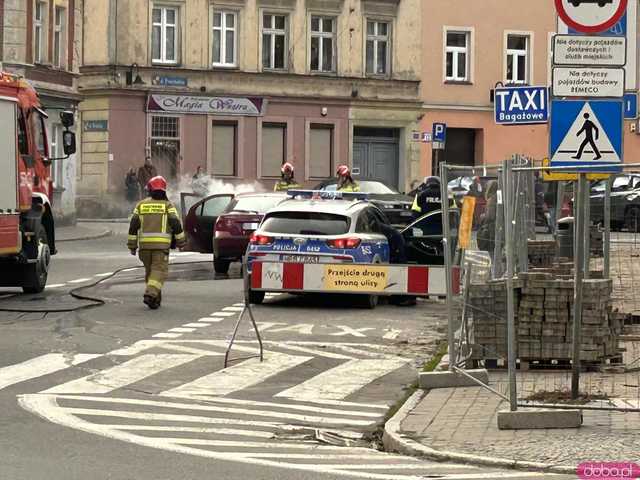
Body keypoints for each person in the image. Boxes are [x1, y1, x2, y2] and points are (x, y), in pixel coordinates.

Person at [127, 176, 186, 309]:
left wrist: (132, 246)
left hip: (144, 248)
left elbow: (133, 226)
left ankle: (154, 300)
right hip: (161, 247)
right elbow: (176, 224)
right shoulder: (168, 206)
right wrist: (181, 241)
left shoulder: (141, 205)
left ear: (149, 190)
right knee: (159, 271)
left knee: (151, 273)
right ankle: (151, 294)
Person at [477, 180, 498, 256]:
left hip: (490, 231)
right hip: (496, 229)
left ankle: (494, 267)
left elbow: (490, 216)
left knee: (491, 254)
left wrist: (482, 216)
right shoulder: (498, 197)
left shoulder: (491, 200)